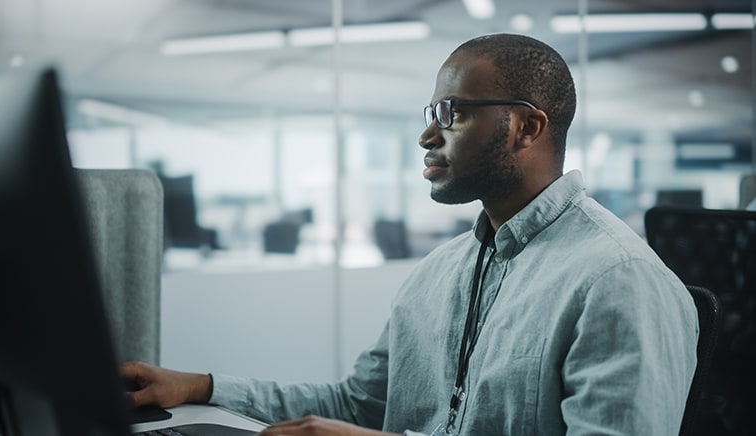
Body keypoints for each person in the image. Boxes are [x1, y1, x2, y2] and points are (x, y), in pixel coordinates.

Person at [122, 33, 698, 435]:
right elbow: (359, 405)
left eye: (452, 112)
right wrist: (197, 387)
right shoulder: (443, 269)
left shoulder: (619, 282)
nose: (428, 135)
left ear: (526, 127)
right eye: (429, 111)